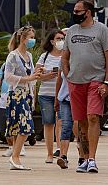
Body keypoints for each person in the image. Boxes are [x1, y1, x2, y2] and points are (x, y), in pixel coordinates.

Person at [61, 0, 108, 174]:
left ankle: (92, 159)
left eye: (78, 11)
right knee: (81, 121)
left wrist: (106, 82)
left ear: (88, 12)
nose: (75, 14)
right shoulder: (71, 32)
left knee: (93, 117)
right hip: (75, 82)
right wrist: (68, 75)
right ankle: (84, 159)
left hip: (96, 80)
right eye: (74, 11)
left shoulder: (102, 30)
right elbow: (64, 56)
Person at [3, 27, 41, 170]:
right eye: (30, 37)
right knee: (25, 126)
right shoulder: (13, 55)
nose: (32, 40)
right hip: (17, 95)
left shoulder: (29, 56)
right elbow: (8, 76)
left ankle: (16, 156)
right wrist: (27, 78)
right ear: (23, 39)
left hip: (27, 94)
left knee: (19, 127)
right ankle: (15, 156)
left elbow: (32, 76)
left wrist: (37, 76)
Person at [36, 29, 65, 163]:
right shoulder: (44, 56)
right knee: (48, 123)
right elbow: (37, 75)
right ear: (52, 41)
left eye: (62, 38)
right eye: (58, 39)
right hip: (46, 93)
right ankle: (49, 153)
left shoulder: (66, 55)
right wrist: (48, 75)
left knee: (61, 122)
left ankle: (60, 150)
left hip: (61, 94)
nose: (61, 41)